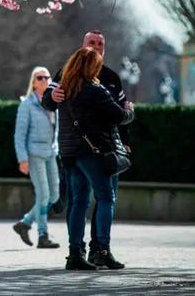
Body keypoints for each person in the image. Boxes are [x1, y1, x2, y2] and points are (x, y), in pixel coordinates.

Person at [42, 30, 131, 264]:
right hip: (96, 150)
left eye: (100, 43)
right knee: (105, 198)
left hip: (75, 150)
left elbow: (117, 114)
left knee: (80, 200)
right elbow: (120, 114)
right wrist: (53, 97)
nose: (96, 46)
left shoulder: (110, 77)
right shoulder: (71, 77)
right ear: (82, 46)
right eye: (91, 42)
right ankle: (101, 250)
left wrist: (125, 142)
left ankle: (79, 252)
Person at [12, 67, 60, 249]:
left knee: (54, 195)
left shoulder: (53, 104)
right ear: (33, 82)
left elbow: (57, 130)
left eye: (47, 77)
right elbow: (19, 134)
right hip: (34, 154)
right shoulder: (27, 105)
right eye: (40, 78)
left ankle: (25, 222)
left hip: (51, 153)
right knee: (44, 194)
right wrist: (22, 159)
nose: (44, 80)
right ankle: (43, 234)